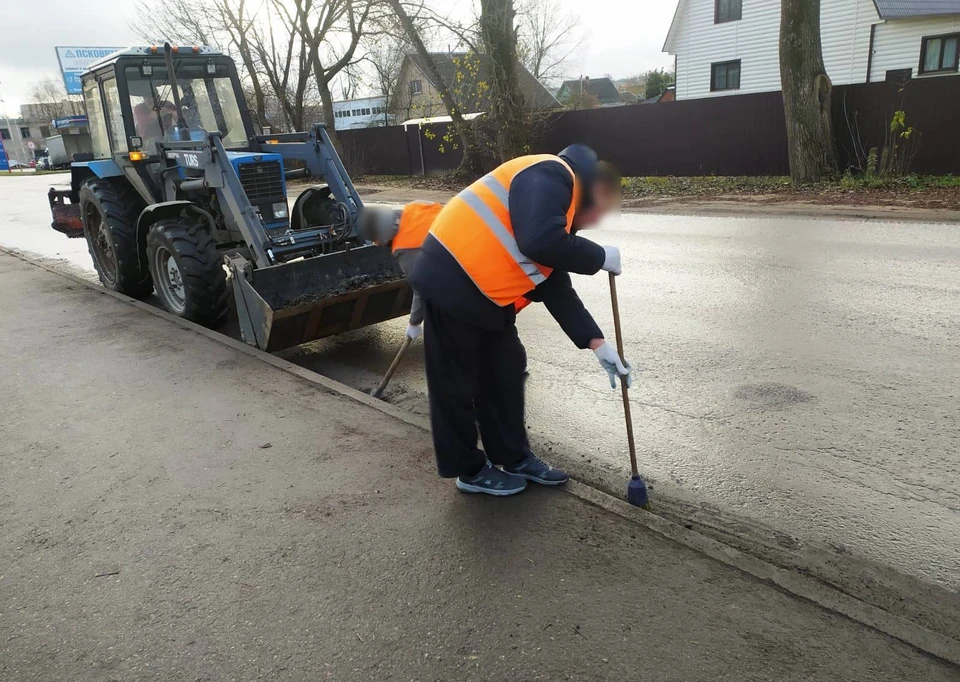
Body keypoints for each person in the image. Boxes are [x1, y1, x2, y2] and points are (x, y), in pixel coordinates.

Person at [409, 144, 630, 497]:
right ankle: (469, 471)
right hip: (450, 280)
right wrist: (598, 256)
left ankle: (513, 457)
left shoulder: (556, 213)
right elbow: (538, 241)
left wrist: (597, 343)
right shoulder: (553, 173)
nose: (598, 220)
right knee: (455, 386)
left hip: (486, 295)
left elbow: (555, 286)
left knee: (506, 370)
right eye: (599, 209)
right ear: (589, 187)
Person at [357, 201, 443, 340]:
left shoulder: (405, 247)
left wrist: (414, 322)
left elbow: (423, 286)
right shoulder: (414, 208)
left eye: (374, 239)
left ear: (381, 234)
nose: (375, 244)